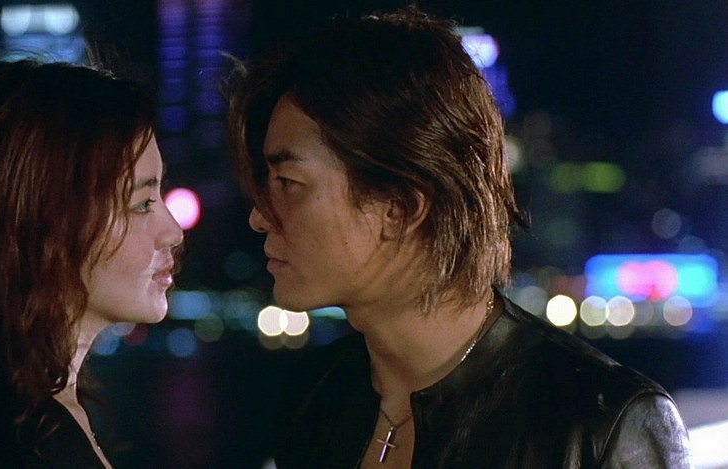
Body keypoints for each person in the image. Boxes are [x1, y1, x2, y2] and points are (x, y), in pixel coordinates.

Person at [225, 6, 692, 468]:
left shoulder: (601, 428)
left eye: (288, 183)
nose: (260, 218)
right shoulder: (316, 398)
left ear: (400, 208)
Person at [0, 57, 184, 467]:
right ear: (44, 224)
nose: (173, 232)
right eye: (142, 203)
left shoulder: (5, 416)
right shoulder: (24, 444)